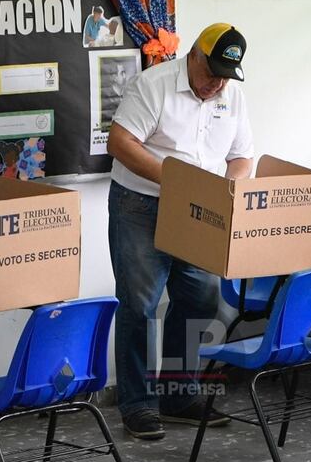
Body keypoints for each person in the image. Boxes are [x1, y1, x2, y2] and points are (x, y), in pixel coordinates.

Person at [107, 23, 254, 440]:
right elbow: (121, 142)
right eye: (210, 74)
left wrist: (230, 190)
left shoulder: (232, 95)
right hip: (141, 205)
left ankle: (178, 396)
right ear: (192, 57)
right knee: (139, 304)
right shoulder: (154, 85)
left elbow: (242, 156)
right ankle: (137, 404)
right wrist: (177, 181)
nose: (215, 84)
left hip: (200, 208)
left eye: (226, 76)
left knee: (201, 297)